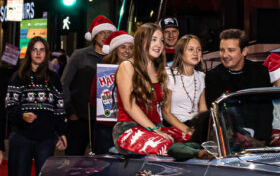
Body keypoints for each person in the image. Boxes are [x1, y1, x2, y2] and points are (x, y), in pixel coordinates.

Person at [5, 37, 67, 176]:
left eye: (42, 50)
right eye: (35, 49)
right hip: (22, 135)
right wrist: (22, 115)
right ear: (29, 53)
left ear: (46, 53)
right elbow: (9, 107)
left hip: (46, 137)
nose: (38, 53)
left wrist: (62, 133)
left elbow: (59, 107)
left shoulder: (53, 77)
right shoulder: (18, 77)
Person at [112, 23, 190, 155]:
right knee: (166, 146)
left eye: (161, 41)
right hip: (129, 128)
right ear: (141, 41)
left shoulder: (160, 70)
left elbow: (166, 112)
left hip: (155, 127)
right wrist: (154, 129)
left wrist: (188, 131)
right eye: (154, 39)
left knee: (190, 139)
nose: (159, 44)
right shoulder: (128, 66)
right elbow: (129, 106)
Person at [204, 29, 272, 146]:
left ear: (244, 51)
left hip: (258, 138)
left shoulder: (260, 72)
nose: (225, 55)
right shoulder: (213, 76)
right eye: (222, 50)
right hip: (229, 140)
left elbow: (266, 109)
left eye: (231, 50)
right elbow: (217, 114)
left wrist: (262, 140)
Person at [62, 15, 116, 155]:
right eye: (102, 32)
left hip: (106, 119)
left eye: (109, 33)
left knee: (103, 159)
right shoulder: (79, 55)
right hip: (79, 118)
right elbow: (64, 83)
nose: (105, 36)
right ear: (94, 35)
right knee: (73, 159)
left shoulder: (115, 57)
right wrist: (70, 111)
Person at [87, 30, 135, 155]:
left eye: (130, 47)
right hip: (106, 127)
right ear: (115, 49)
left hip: (130, 125)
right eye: (123, 47)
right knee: (105, 163)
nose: (127, 51)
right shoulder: (104, 70)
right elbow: (93, 98)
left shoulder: (138, 70)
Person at [163, 35, 207, 135]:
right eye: (191, 49)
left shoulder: (200, 76)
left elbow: (203, 109)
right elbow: (166, 112)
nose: (195, 53)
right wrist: (188, 131)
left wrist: (204, 128)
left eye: (199, 49)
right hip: (175, 126)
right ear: (181, 53)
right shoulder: (169, 75)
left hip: (195, 125)